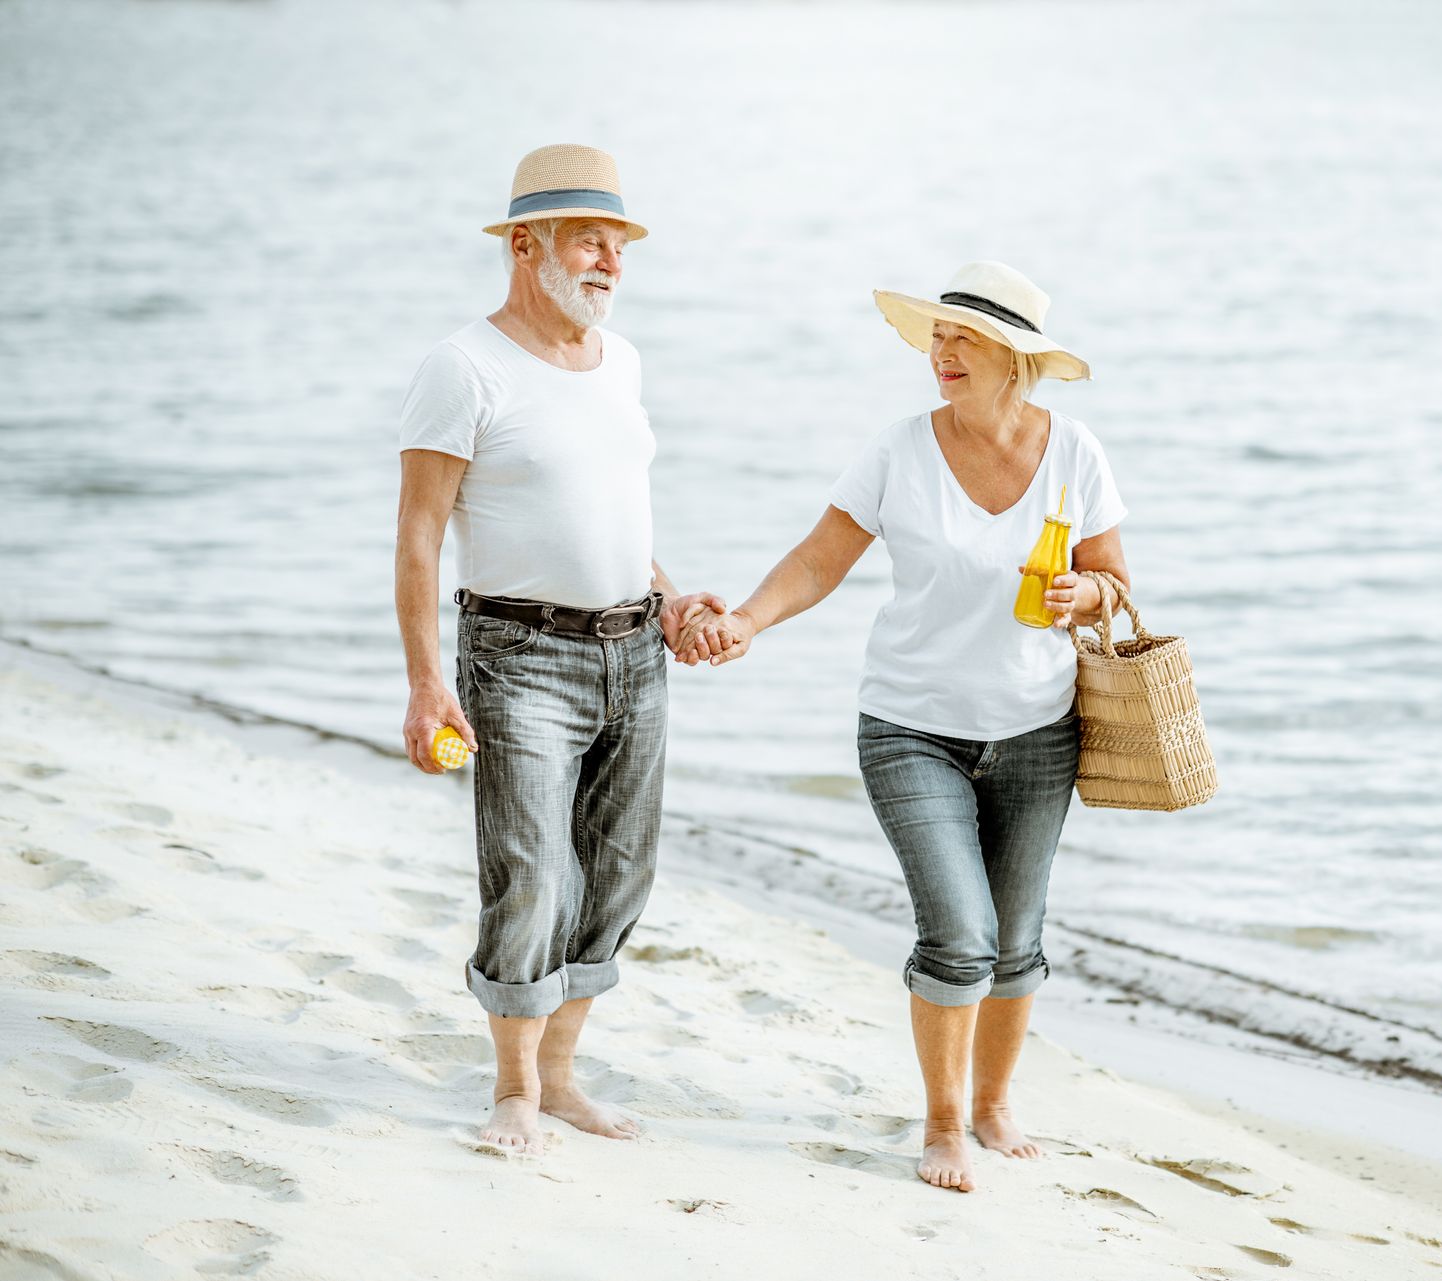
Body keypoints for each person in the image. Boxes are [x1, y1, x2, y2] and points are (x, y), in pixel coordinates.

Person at [677, 262, 1130, 1192]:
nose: (942, 351)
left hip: (1040, 731)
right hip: (910, 727)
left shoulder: (1075, 453)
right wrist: (747, 621)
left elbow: (1116, 583)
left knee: (1016, 937)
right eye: (938, 334)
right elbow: (820, 556)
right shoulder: (898, 452)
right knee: (959, 933)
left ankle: (996, 1106)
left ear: (1015, 358)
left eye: (963, 338)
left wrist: (1088, 591)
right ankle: (943, 1125)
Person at [393, 143, 725, 1156]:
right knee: (533, 871)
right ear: (526, 245)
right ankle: (513, 1091)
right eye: (590, 240)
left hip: (637, 653)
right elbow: (417, 534)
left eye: (618, 244)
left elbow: (613, 512)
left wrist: (672, 596)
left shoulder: (620, 361)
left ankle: (564, 1073)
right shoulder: (463, 367)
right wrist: (424, 684)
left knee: (619, 874)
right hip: (519, 656)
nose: (610, 263)